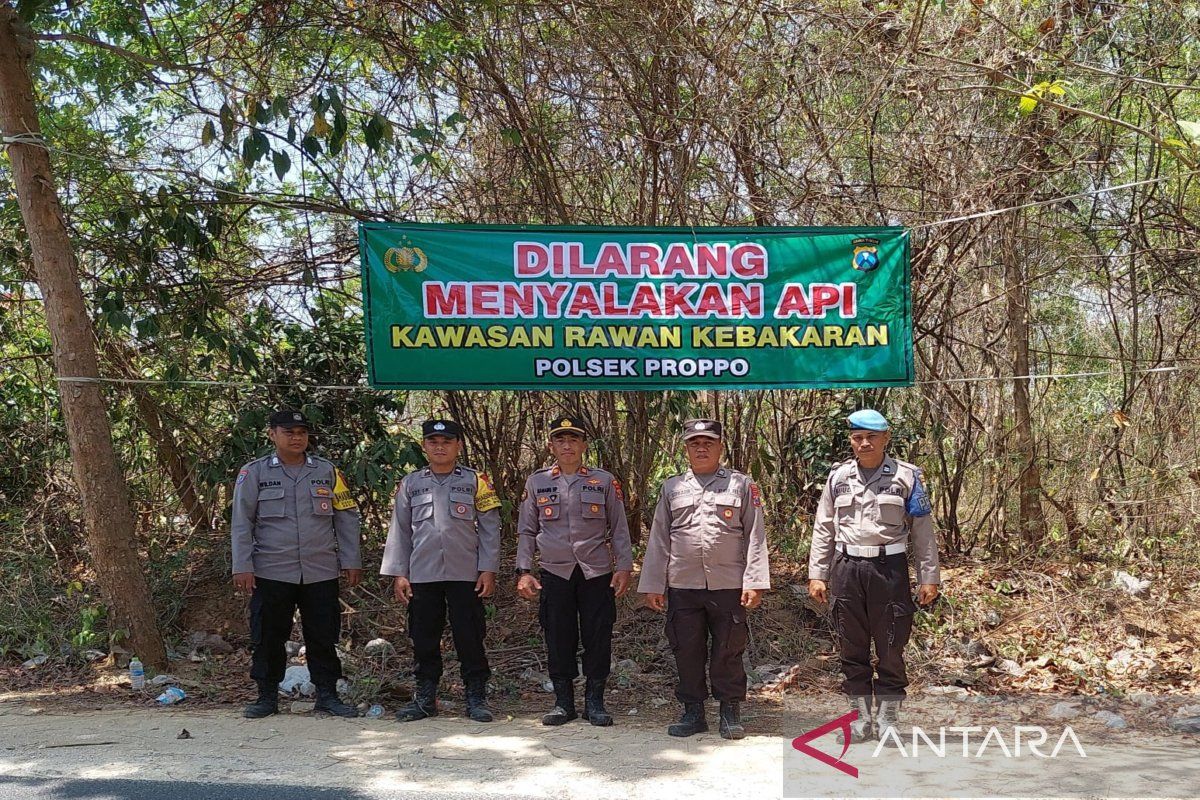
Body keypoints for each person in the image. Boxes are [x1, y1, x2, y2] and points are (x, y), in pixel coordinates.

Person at [807, 409, 940, 744]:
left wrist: (929, 576)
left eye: (871, 437)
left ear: (886, 438)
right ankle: (860, 718)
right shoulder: (837, 478)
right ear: (851, 440)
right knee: (851, 647)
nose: (864, 443)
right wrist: (817, 573)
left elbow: (923, 530)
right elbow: (824, 526)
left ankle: (889, 718)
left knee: (892, 646)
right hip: (847, 569)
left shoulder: (907, 477)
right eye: (857, 437)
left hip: (888, 570)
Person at [638, 418, 770, 740]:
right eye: (694, 443)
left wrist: (754, 581)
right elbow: (659, 538)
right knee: (686, 649)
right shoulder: (672, 487)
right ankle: (693, 712)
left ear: (720, 447)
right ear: (685, 448)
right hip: (683, 585)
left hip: (728, 584)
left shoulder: (741, 485)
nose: (701, 448)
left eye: (708, 442)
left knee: (728, 649)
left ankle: (729, 712)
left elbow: (755, 534)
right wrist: (653, 584)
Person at [230, 409, 362, 719]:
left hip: (320, 569)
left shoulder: (327, 471)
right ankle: (266, 696)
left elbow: (346, 517)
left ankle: (327, 694)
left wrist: (351, 559)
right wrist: (242, 564)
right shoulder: (255, 473)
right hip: (271, 569)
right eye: (288, 432)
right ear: (272, 434)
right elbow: (241, 521)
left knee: (324, 634)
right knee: (268, 635)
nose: (296, 437)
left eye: (301, 432)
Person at [515, 416, 633, 727]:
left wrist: (624, 566)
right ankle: (563, 703)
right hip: (555, 573)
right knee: (558, 636)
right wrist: (524, 570)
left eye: (573, 439)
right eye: (560, 439)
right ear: (551, 445)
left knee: (598, 636)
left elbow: (619, 528)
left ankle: (595, 702)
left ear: (583, 444)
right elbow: (526, 530)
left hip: (596, 572)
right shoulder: (537, 482)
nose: (567, 445)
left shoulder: (604, 481)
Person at [381, 419, 501, 723]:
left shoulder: (476, 481)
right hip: (422, 574)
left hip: (466, 574)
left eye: (446, 441)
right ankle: (425, 697)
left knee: (469, 636)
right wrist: (399, 572)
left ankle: (476, 697)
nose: (439, 447)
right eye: (433, 441)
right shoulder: (410, 483)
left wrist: (488, 568)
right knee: (423, 637)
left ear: (458, 446)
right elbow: (400, 530)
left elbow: (489, 527)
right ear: (424, 446)